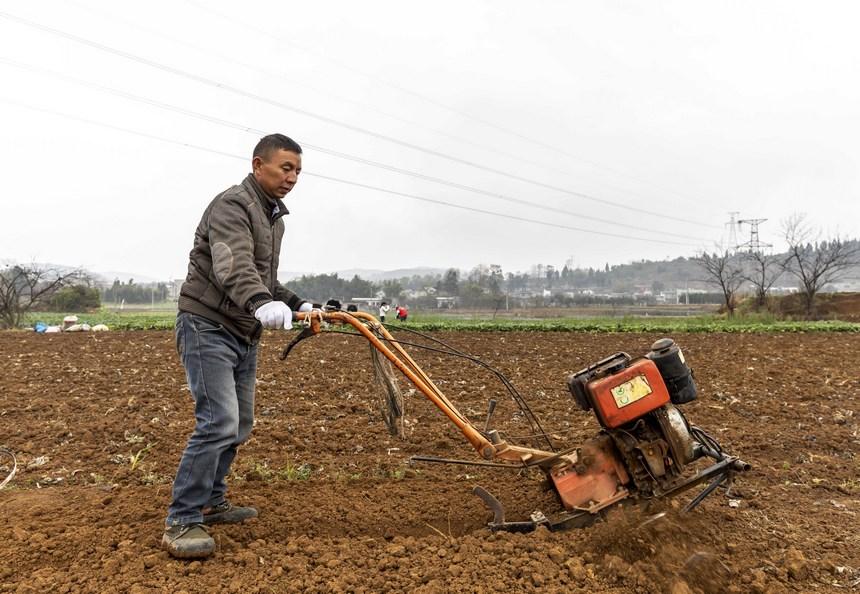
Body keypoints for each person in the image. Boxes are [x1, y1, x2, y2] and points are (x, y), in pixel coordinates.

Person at [162, 134, 313, 559]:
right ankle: (181, 518)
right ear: (257, 164)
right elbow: (232, 264)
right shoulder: (232, 205)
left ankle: (211, 502)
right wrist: (261, 303)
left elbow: (264, 278)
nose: (293, 177)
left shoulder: (273, 219)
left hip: (243, 330)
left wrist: (299, 303)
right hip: (206, 325)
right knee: (217, 422)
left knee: (239, 423)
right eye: (286, 168)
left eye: (298, 171)